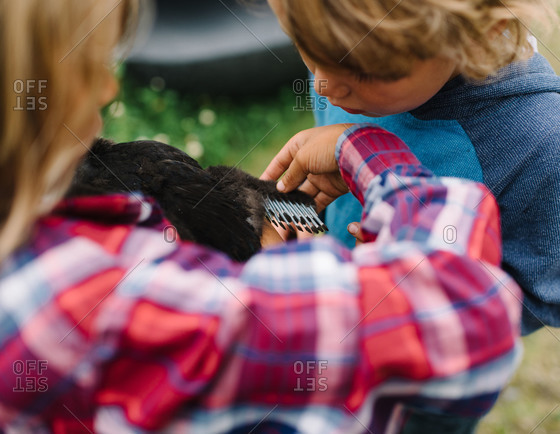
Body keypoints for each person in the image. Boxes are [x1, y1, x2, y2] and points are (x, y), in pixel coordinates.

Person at [0, 1, 522, 433]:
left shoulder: (68, 221)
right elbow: (466, 312)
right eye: (90, 65)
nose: (110, 89)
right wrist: (368, 152)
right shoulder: (80, 300)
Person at [263, 0, 560, 335]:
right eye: (305, 44)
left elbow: (547, 297)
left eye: (365, 68)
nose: (323, 86)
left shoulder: (541, 140)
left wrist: (416, 288)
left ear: (478, 30)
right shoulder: (340, 44)